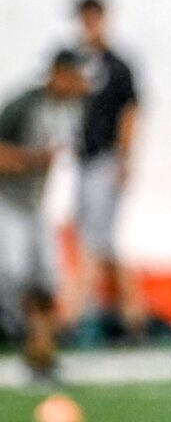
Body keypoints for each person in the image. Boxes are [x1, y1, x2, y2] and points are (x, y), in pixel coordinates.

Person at [0, 49, 88, 382]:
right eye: (74, 76)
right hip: (8, 203)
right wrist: (33, 159)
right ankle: (25, 346)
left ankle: (43, 355)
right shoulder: (24, 106)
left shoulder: (70, 108)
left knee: (47, 281)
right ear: (57, 74)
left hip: (37, 205)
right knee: (14, 276)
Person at [71, 0, 145, 344]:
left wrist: (125, 159)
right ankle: (133, 316)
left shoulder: (117, 65)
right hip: (83, 162)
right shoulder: (76, 64)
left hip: (106, 159)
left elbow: (130, 113)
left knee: (91, 237)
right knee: (107, 241)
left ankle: (77, 315)